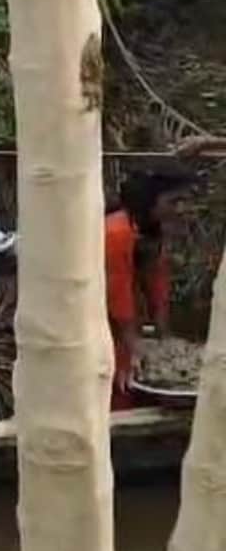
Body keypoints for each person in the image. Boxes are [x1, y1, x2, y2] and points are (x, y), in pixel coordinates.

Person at [106, 171, 189, 407]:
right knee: (117, 369)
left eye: (184, 201)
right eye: (174, 201)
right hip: (90, 311)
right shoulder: (115, 231)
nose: (181, 208)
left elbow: (157, 285)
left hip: (121, 311)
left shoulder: (153, 230)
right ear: (150, 202)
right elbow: (117, 294)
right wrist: (133, 345)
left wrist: (166, 342)